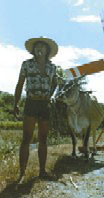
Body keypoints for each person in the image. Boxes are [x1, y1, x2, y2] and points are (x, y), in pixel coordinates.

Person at [13, 37, 63, 182]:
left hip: (44, 105)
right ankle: (22, 174)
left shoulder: (52, 67)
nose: (40, 49)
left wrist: (51, 96)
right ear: (33, 50)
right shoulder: (26, 65)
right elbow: (20, 84)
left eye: (43, 47)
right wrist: (15, 103)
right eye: (37, 47)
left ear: (47, 51)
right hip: (30, 103)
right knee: (26, 139)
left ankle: (42, 172)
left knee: (43, 139)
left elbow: (55, 84)